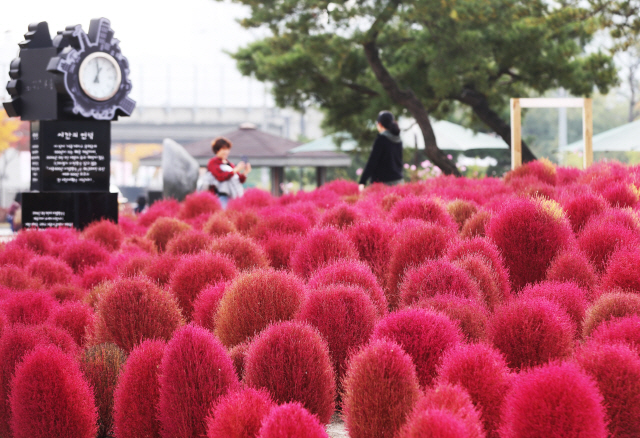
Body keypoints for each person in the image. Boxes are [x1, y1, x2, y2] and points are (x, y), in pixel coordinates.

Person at [358, 111, 404, 191]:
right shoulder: (398, 139)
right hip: (398, 182)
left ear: (380, 124)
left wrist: (362, 181)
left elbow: (372, 162)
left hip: (382, 184)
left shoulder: (381, 139)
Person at [207, 137, 251, 208]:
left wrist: (245, 172)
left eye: (227, 149)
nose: (226, 151)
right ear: (217, 150)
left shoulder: (229, 164)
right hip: (220, 196)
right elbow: (220, 177)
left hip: (233, 195)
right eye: (223, 149)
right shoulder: (213, 162)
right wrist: (235, 170)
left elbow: (239, 180)